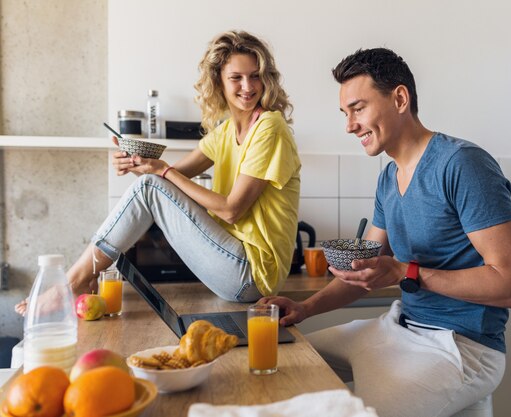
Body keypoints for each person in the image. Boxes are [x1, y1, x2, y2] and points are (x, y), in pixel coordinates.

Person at [259, 48, 511, 417]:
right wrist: (305, 308)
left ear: (400, 99)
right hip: (398, 327)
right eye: (345, 113)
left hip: (461, 347)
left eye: (358, 108)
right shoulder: (388, 178)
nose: (349, 125)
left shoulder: (463, 165)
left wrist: (407, 272)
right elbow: (364, 269)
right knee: (285, 355)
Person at [16, 30, 300, 315]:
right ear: (219, 82)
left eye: (255, 76)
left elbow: (231, 210)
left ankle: (73, 281)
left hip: (251, 275)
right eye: (236, 77)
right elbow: (166, 184)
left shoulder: (269, 127)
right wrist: (135, 165)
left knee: (152, 185)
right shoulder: (225, 132)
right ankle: (79, 278)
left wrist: (160, 172)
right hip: (230, 266)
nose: (247, 86)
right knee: (150, 185)